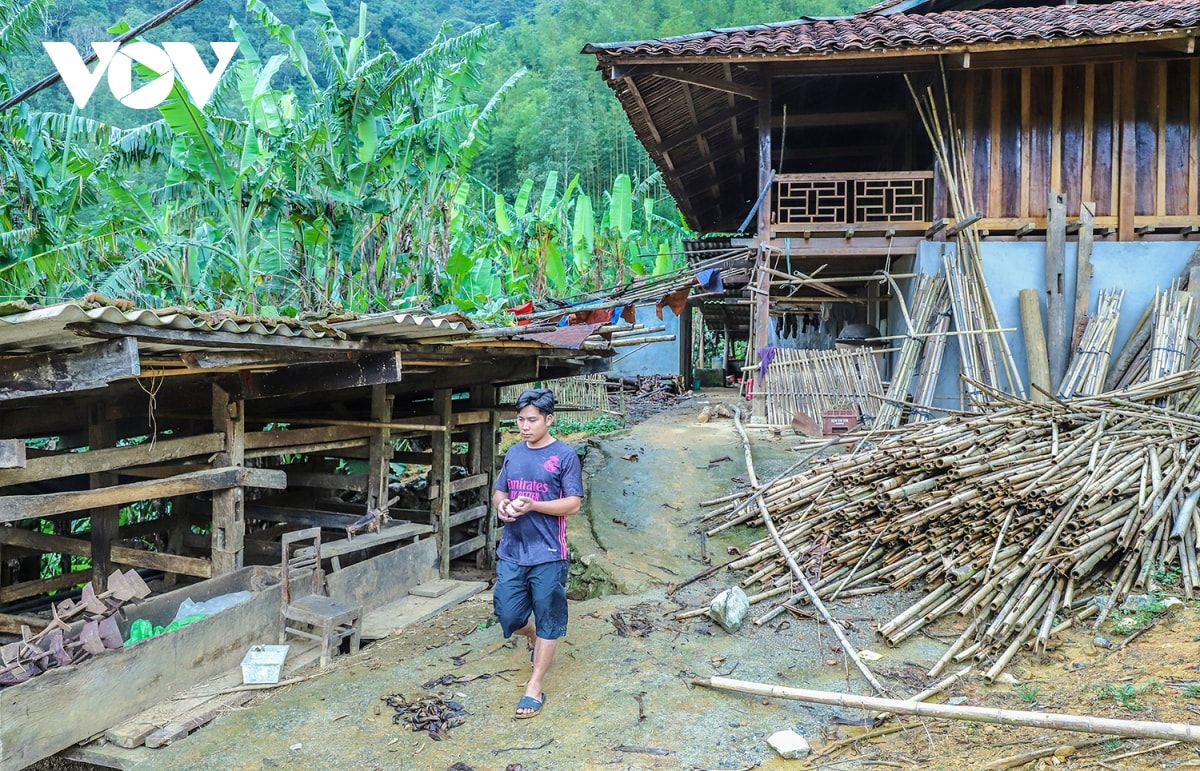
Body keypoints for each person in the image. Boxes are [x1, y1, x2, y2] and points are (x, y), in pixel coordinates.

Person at [492, 388, 583, 719]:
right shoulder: (514, 454)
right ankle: (529, 635)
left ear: (549, 420)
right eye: (520, 419)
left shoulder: (565, 456)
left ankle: (535, 685)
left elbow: (573, 504)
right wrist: (502, 506)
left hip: (548, 551)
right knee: (508, 615)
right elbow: (500, 491)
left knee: (548, 615)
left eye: (532, 420)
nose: (525, 426)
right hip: (512, 549)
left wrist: (534, 506)